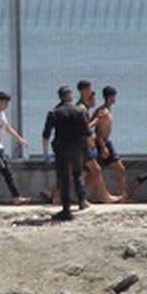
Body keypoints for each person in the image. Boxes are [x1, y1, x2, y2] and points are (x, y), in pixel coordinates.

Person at [48, 86, 91, 221]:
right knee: (77, 173)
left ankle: (66, 209)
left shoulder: (55, 112)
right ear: (70, 96)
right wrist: (90, 146)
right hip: (76, 147)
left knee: (64, 177)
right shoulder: (79, 111)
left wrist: (45, 153)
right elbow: (87, 132)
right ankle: (82, 200)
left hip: (61, 148)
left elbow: (46, 134)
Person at [93, 86, 128, 201]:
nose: (115, 98)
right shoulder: (103, 111)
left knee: (119, 169)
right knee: (94, 172)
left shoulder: (107, 110)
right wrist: (103, 147)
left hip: (106, 142)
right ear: (110, 97)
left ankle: (122, 195)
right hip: (102, 143)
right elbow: (97, 131)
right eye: (114, 96)